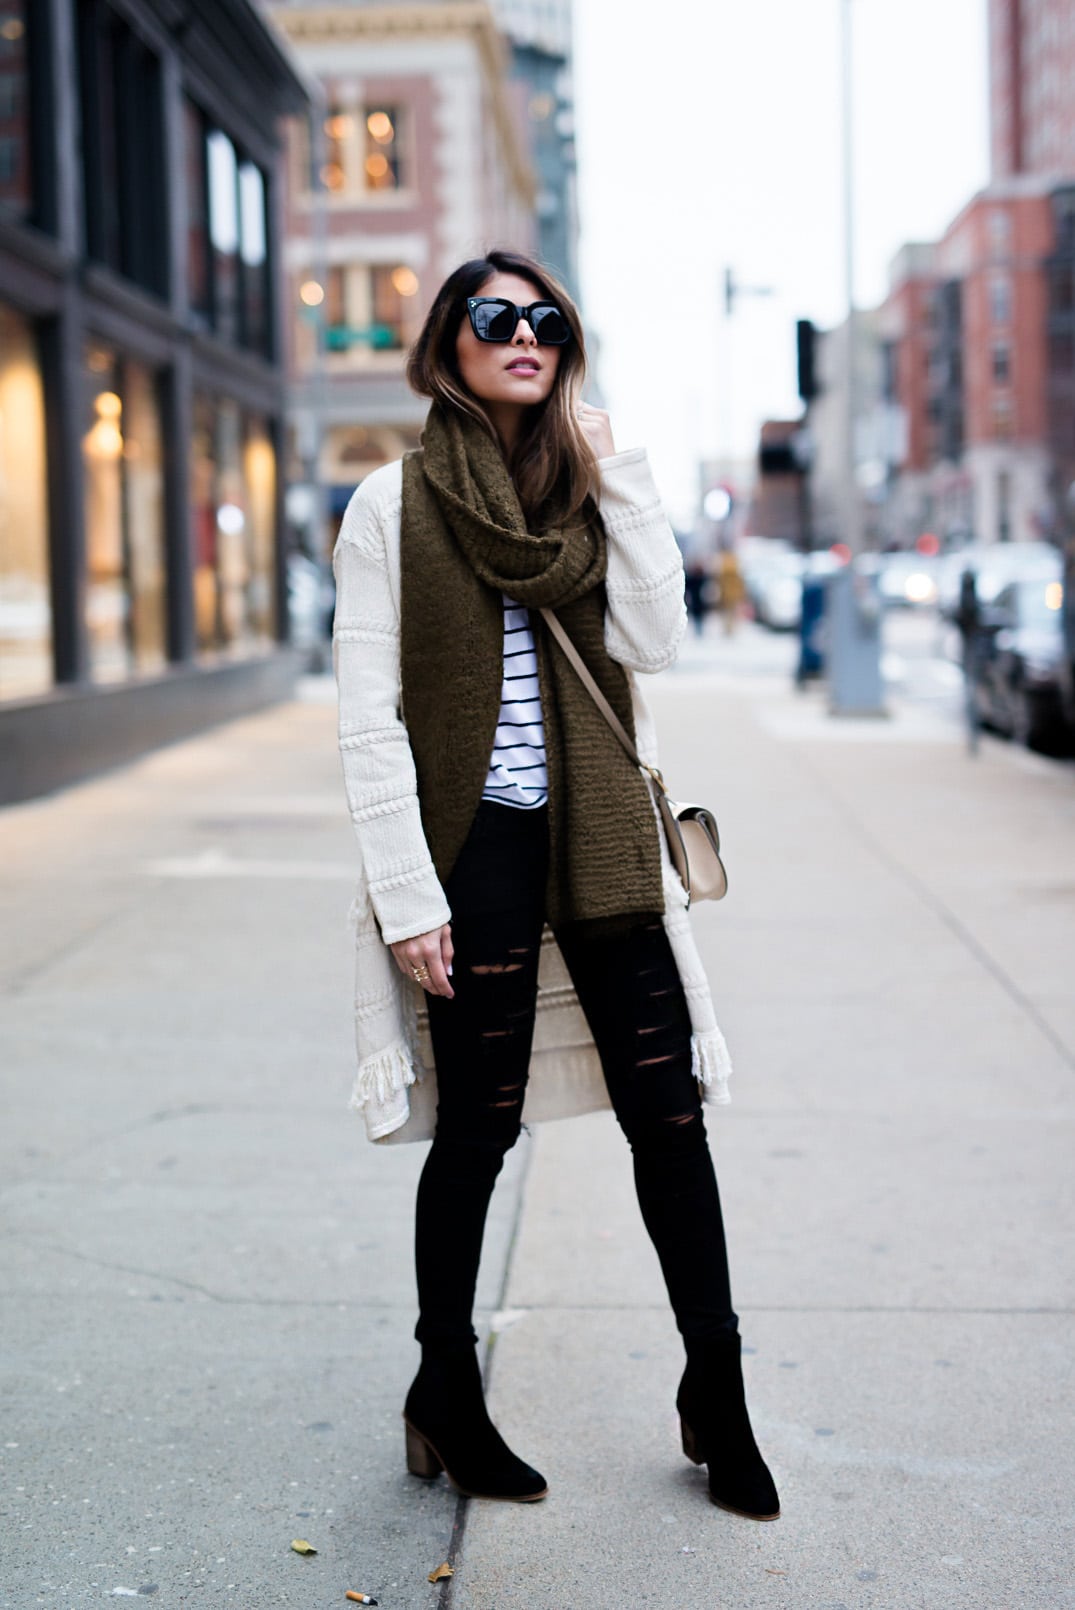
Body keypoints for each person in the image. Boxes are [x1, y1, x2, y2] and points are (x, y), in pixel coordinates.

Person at [331, 249, 779, 1521]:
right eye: (495, 317)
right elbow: (368, 719)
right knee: (478, 1129)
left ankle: (720, 1391)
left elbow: (657, 636)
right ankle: (443, 1386)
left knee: (670, 1115)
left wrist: (621, 469)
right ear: (450, 343)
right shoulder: (391, 505)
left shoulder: (592, 492)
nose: (522, 334)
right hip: (474, 846)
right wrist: (407, 892)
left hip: (597, 840)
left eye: (546, 319)